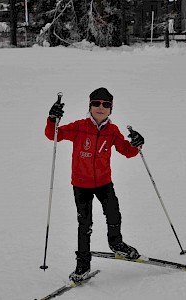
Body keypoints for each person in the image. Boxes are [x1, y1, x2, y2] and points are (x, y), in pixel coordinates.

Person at [45, 87, 145, 282]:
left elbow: (127, 150)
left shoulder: (113, 131)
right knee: (85, 224)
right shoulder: (79, 127)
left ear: (111, 109)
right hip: (81, 185)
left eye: (106, 105)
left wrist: (137, 144)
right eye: (96, 103)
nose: (101, 107)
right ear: (90, 106)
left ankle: (116, 244)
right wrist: (52, 119)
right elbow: (53, 135)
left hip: (104, 182)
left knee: (114, 212)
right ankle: (83, 264)